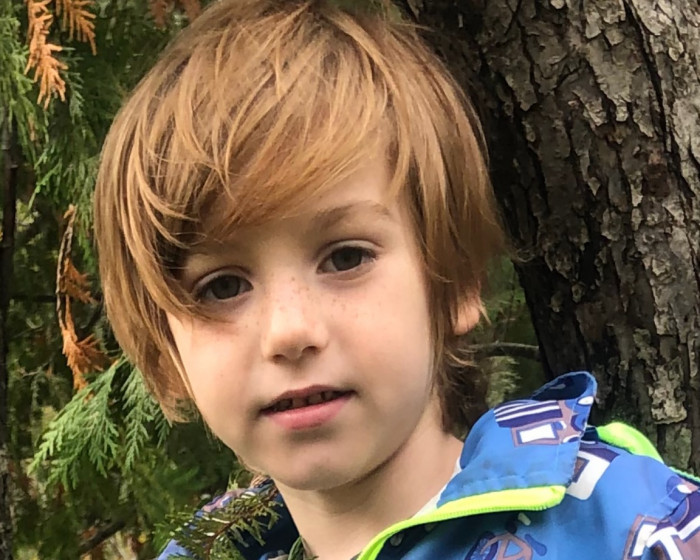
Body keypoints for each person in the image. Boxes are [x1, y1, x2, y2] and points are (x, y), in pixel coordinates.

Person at [93, 0, 700, 558]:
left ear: (453, 282)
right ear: (166, 351)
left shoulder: (624, 525)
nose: (289, 331)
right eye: (222, 287)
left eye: (345, 258)